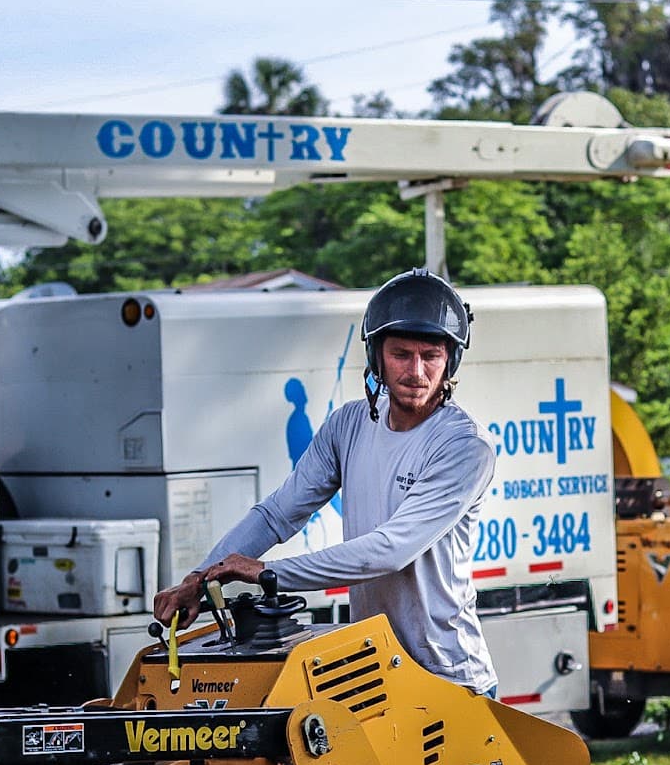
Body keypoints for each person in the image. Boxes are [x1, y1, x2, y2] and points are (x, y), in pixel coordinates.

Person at [152, 268, 499, 696]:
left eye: (431, 355)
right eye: (401, 354)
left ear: (451, 360)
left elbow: (391, 550)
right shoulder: (349, 424)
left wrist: (267, 573)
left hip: (447, 676)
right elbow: (277, 514)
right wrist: (201, 579)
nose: (416, 371)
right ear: (376, 355)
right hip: (376, 671)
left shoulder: (464, 446)